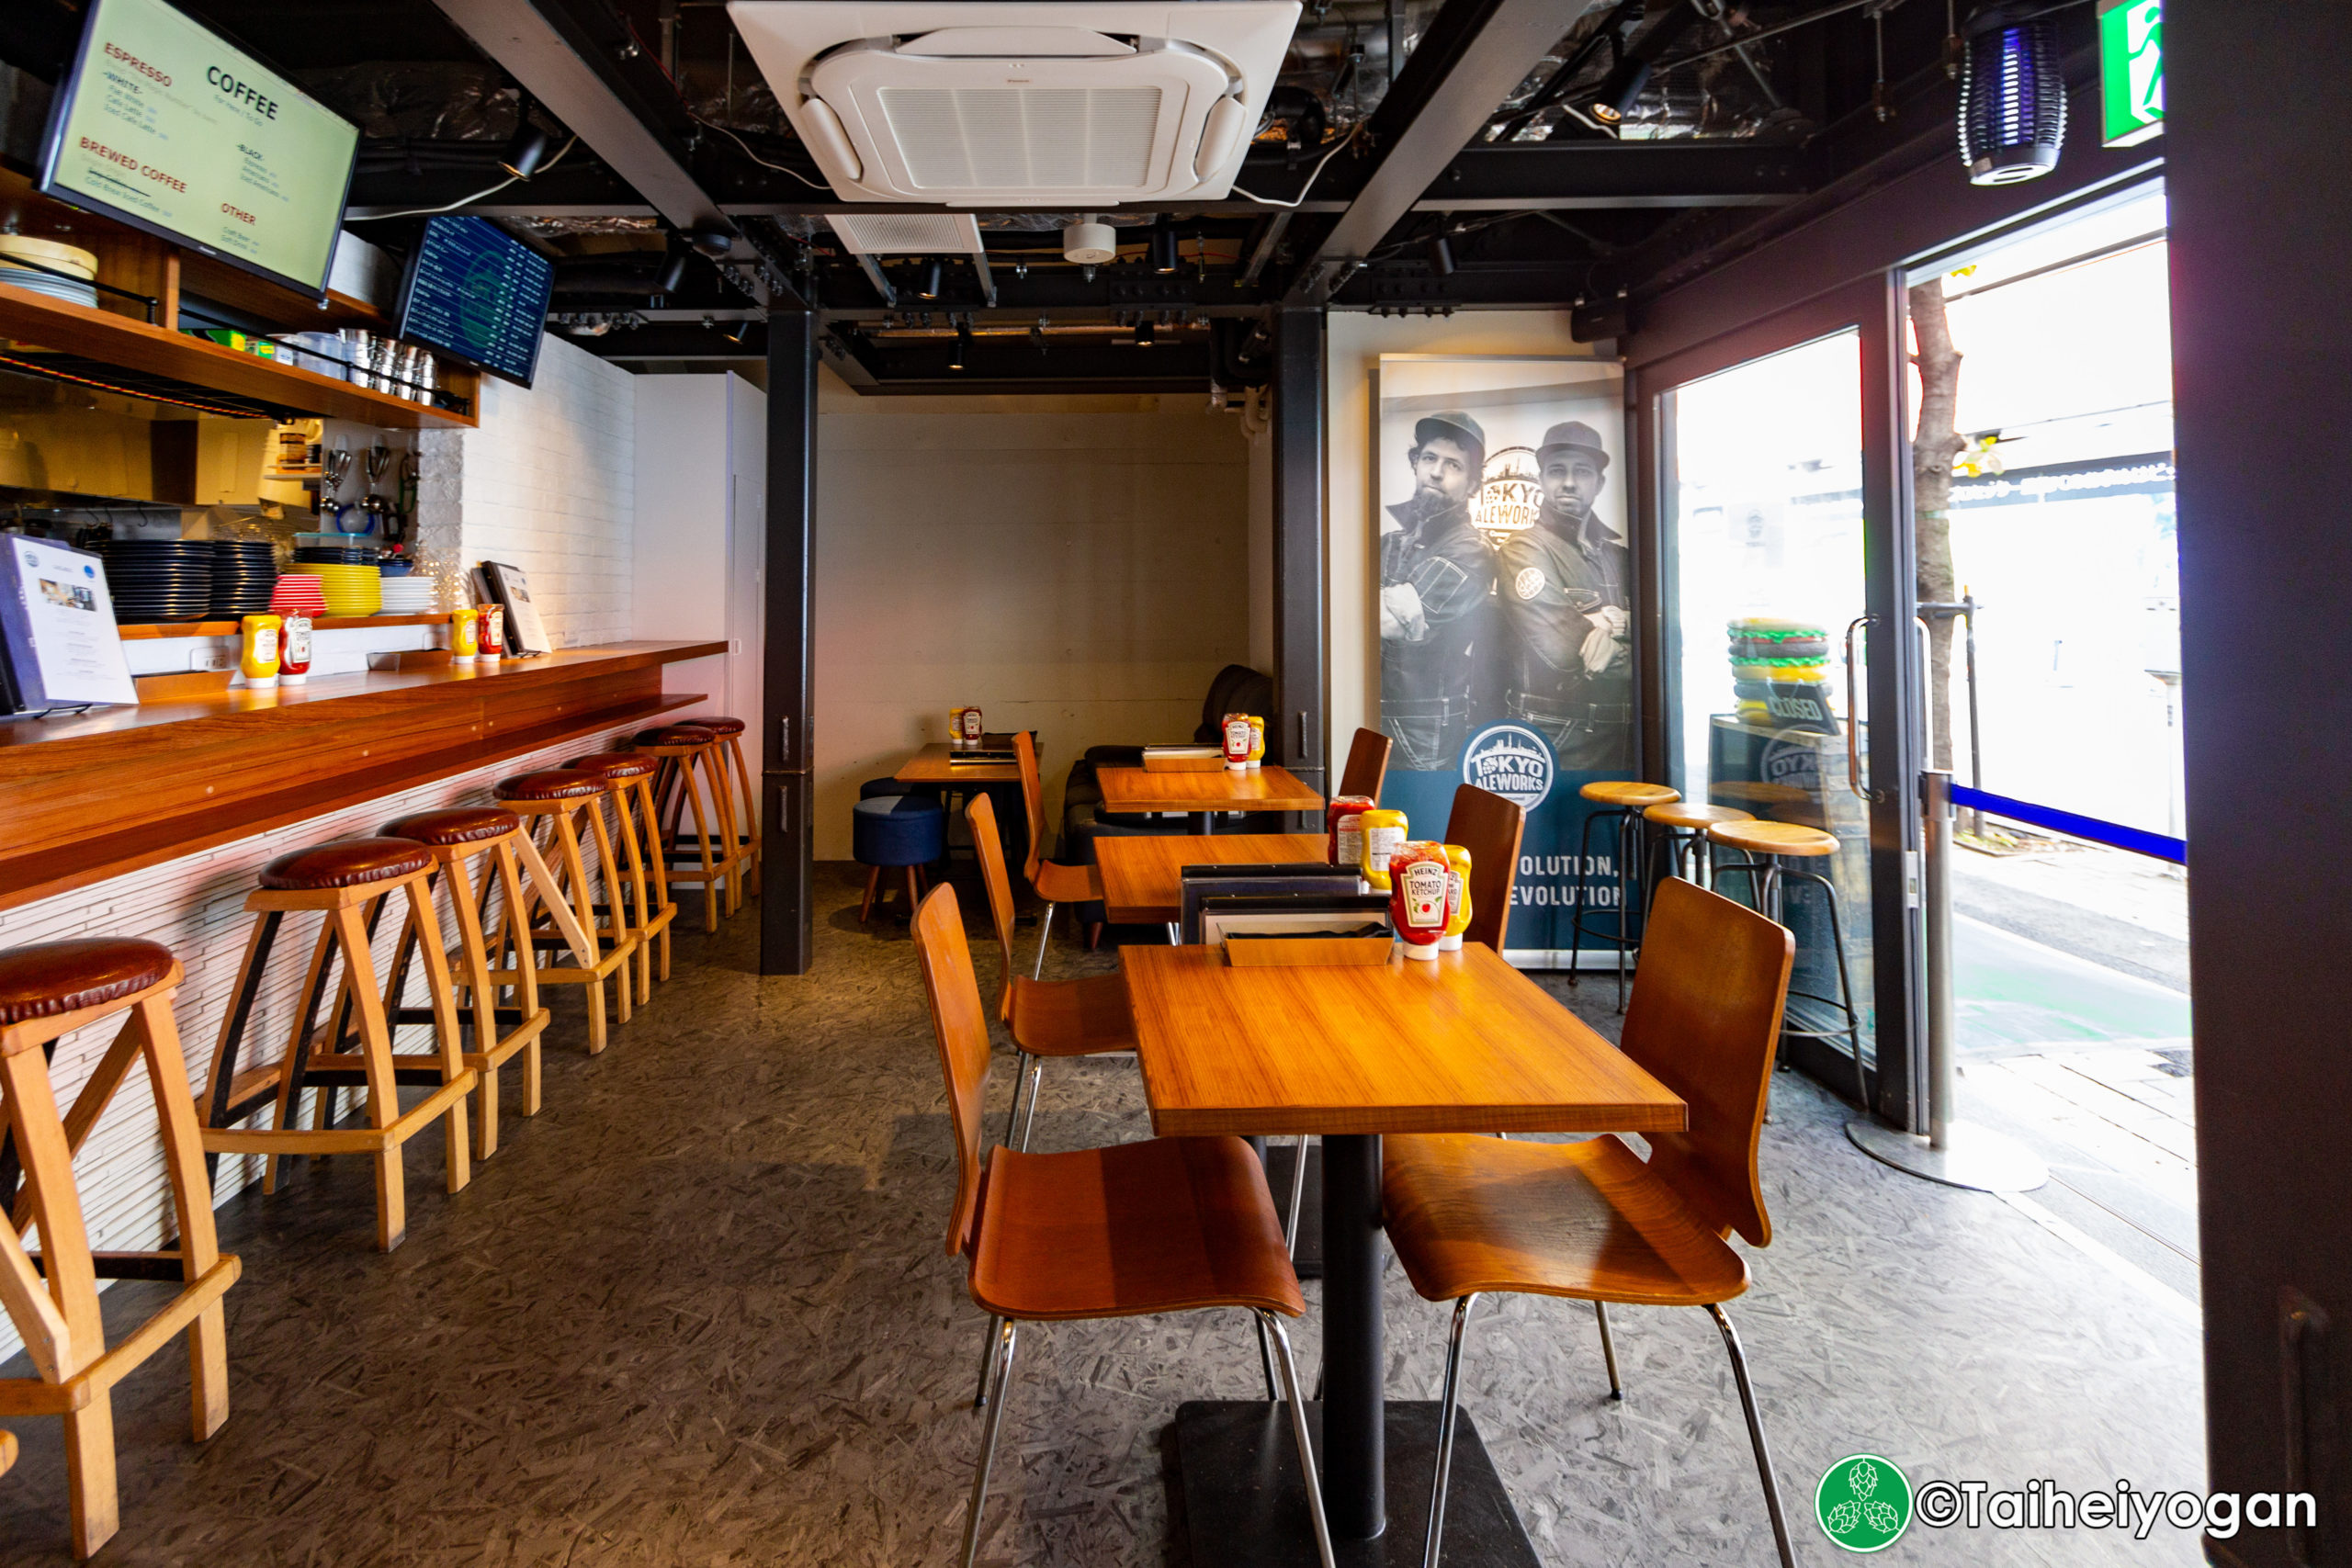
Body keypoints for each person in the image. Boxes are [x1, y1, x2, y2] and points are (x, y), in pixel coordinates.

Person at [1495, 420, 1634, 769]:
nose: (1569, 482)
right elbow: (1563, 647)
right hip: (1556, 738)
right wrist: (1625, 629)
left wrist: (1612, 626)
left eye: (1582, 472)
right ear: (1541, 479)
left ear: (1599, 482)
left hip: (1626, 740)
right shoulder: (1522, 548)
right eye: (1557, 471)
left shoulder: (1621, 557)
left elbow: (1662, 640)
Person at [1378, 411, 1495, 771]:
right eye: (1429, 458)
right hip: (1378, 715)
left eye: (1454, 465)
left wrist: (1381, 600)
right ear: (1416, 464)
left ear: (1473, 484)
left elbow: (1387, 624)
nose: (1436, 472)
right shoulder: (1391, 541)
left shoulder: (1471, 549)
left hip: (1423, 733)